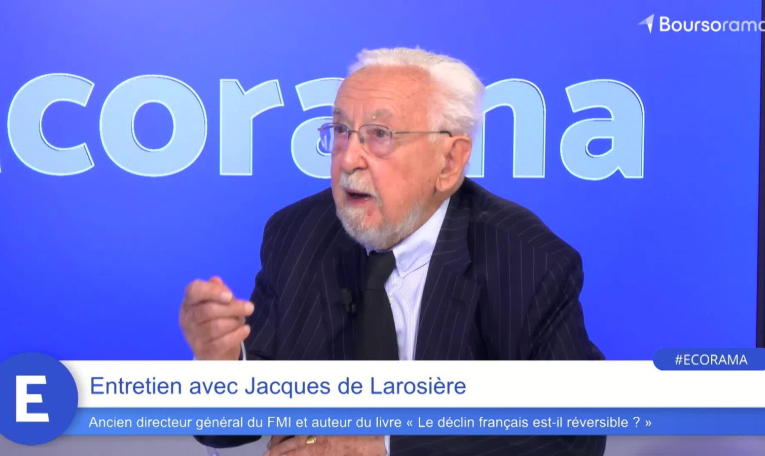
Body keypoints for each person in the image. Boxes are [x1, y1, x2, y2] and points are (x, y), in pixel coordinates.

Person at [180, 47, 606, 456]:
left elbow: (572, 436)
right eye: (341, 131)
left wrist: (386, 448)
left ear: (449, 163)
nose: (349, 159)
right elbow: (231, 427)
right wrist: (220, 366)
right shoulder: (297, 235)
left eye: (379, 135)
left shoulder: (526, 260)